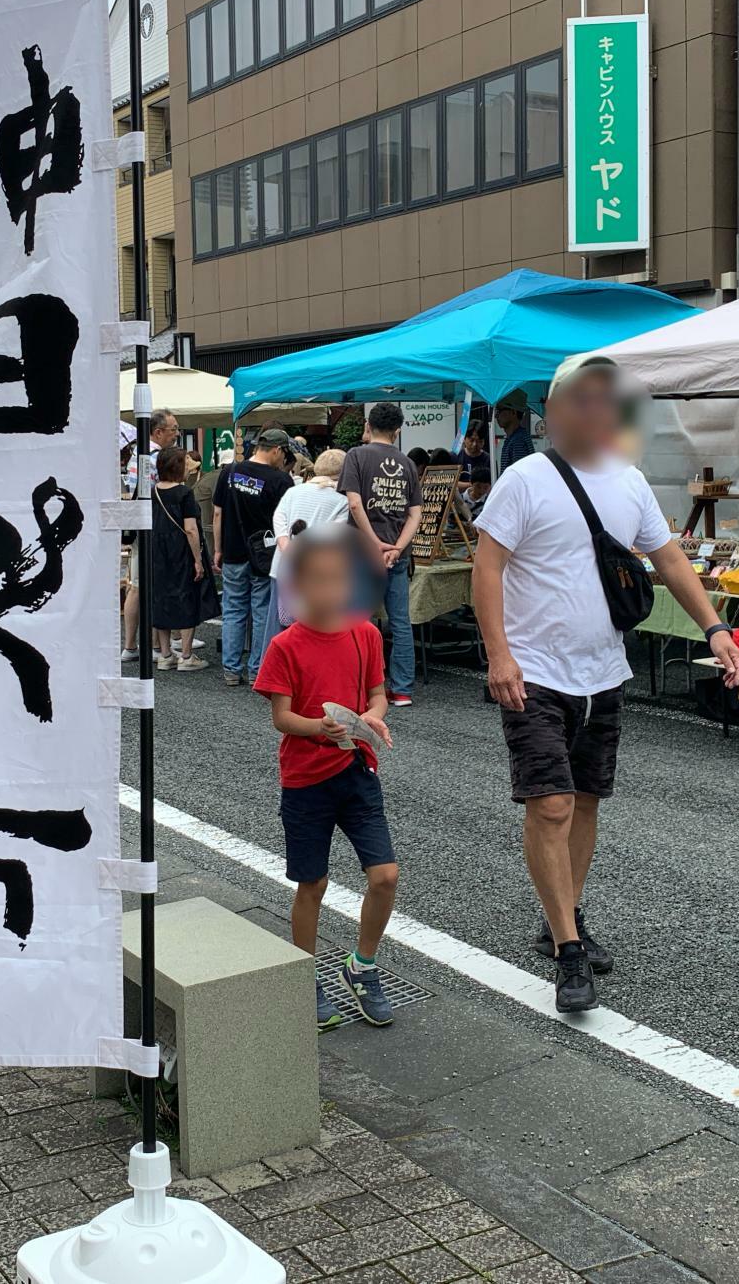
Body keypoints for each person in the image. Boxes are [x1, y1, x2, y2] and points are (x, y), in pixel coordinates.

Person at [472, 357, 739, 1013]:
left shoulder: (630, 482)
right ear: (556, 409)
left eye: (607, 399)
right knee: (553, 805)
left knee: (586, 801)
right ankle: (569, 950)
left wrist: (715, 628)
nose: (597, 411)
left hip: (604, 671)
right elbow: (487, 567)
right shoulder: (524, 479)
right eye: (583, 399)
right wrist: (499, 655)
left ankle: (558, 913)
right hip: (535, 672)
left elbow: (670, 559)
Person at [255, 524, 398, 1031]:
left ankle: (363, 965)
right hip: (305, 779)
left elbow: (377, 694)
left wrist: (374, 715)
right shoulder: (286, 646)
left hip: (356, 771)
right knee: (312, 882)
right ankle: (306, 973)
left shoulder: (365, 634)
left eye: (338, 580)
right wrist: (319, 726)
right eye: (316, 580)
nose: (329, 591)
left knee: (385, 875)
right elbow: (281, 718)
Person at [338, 403, 423, 707]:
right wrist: (397, 547)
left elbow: (355, 505)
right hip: (397, 556)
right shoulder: (408, 464)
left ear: (367, 424)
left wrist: (374, 543)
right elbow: (415, 514)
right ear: (398, 430)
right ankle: (402, 689)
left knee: (356, 617)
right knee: (400, 621)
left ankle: (359, 688)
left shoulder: (356, 456)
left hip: (362, 550)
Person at [213, 427, 295, 687]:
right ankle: (257, 669)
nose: (284, 460)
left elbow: (218, 514)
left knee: (233, 610)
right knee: (261, 611)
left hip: (233, 551)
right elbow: (287, 521)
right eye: (284, 454)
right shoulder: (280, 481)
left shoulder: (229, 472)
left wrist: (218, 548)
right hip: (265, 555)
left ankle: (230, 670)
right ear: (277, 450)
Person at [268, 447, 351, 650]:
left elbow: (278, 519)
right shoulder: (341, 501)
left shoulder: (293, 491)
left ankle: (270, 676)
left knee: (279, 627)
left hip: (282, 568)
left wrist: (287, 546)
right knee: (312, 630)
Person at [147, 445, 210, 672]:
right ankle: (186, 655)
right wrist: (198, 560)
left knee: (161, 599)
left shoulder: (153, 491)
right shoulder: (184, 493)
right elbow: (191, 529)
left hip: (157, 551)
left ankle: (165, 655)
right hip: (181, 551)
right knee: (186, 597)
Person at [495, 391, 536, 472]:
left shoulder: (518, 441)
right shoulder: (514, 438)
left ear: (513, 412)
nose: (496, 415)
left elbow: (518, 477)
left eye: (499, 410)